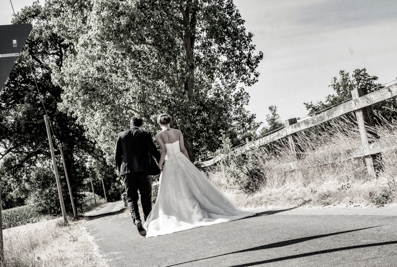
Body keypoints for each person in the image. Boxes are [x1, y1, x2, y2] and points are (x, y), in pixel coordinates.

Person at [144, 114, 255, 237]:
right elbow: (183, 149)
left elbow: (164, 151)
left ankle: (183, 213)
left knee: (173, 189)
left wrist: (160, 165)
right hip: (182, 160)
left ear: (159, 123)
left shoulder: (159, 135)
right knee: (192, 185)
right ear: (170, 121)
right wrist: (188, 163)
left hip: (170, 163)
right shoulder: (178, 132)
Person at [115, 117, 160, 237]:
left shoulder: (121, 135)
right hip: (144, 170)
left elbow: (117, 156)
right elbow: (153, 150)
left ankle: (136, 220)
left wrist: (121, 171)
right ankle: (148, 221)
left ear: (131, 124)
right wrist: (162, 162)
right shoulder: (145, 134)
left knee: (131, 197)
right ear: (142, 125)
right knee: (146, 197)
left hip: (127, 171)